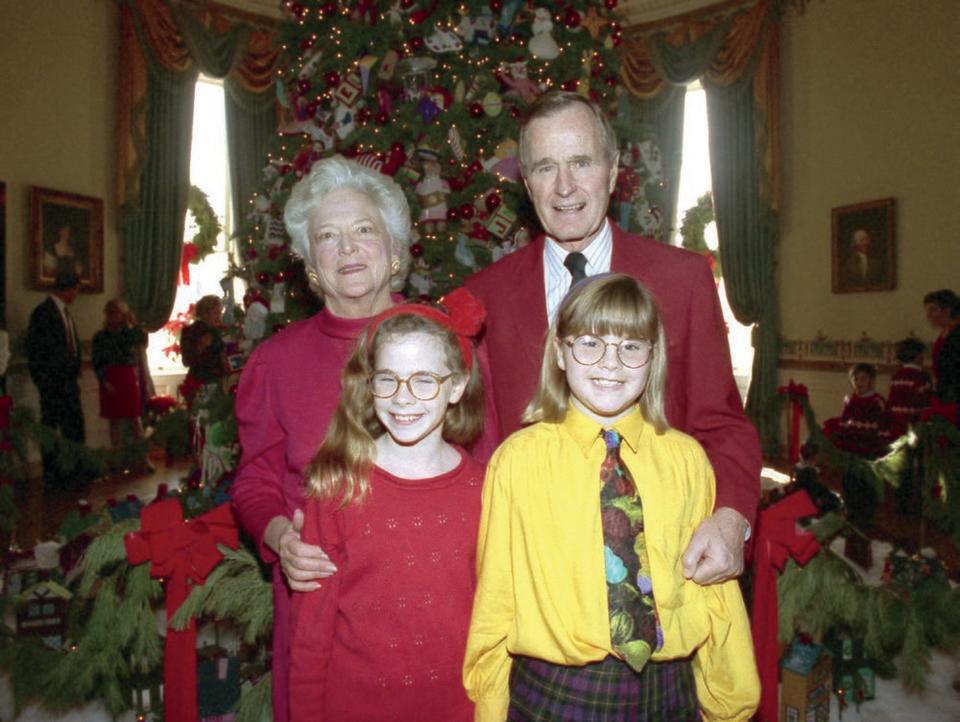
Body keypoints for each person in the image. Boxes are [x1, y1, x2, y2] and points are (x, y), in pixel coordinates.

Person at [230, 155, 497, 722]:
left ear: (394, 247)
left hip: (446, 617)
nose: (347, 249)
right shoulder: (275, 362)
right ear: (309, 261)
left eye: (363, 230)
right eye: (327, 236)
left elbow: (489, 470)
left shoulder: (449, 353)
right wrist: (281, 539)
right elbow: (254, 478)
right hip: (323, 608)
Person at [463, 91, 761, 586]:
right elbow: (476, 450)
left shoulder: (682, 280)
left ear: (613, 166)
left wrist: (731, 518)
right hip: (535, 572)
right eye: (544, 168)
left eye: (581, 162)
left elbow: (722, 423)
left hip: (665, 566)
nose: (564, 187)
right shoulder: (484, 297)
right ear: (526, 184)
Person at [463, 274, 759, 722]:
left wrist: (730, 704)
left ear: (652, 358)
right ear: (560, 353)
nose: (610, 363)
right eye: (589, 343)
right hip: (557, 692)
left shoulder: (688, 459)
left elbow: (715, 595)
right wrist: (489, 706)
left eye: (631, 347)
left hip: (668, 692)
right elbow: (497, 593)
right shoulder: (518, 461)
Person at [289, 292, 486, 721]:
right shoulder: (338, 484)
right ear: (370, 383)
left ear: (455, 387)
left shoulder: (486, 489)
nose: (402, 397)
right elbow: (312, 628)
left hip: (461, 707)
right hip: (355, 707)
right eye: (388, 379)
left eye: (423, 380)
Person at [26, 269, 85, 490]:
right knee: (51, 431)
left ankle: (74, 473)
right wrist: (45, 383)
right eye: (76, 289)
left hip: (69, 383)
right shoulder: (43, 313)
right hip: (52, 385)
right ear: (69, 289)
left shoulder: (65, 313)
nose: (77, 294)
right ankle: (53, 477)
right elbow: (37, 352)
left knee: (74, 429)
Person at [91, 299, 148, 455]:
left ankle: (143, 457)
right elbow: (97, 362)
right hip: (110, 377)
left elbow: (141, 339)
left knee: (135, 419)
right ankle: (117, 457)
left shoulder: (130, 334)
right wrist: (103, 381)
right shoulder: (100, 337)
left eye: (116, 313)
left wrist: (133, 321)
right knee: (114, 421)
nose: (113, 316)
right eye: (110, 313)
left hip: (127, 376)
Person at [823, 363, 892, 459]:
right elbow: (843, 424)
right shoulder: (850, 401)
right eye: (855, 379)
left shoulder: (878, 402)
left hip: (870, 450)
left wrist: (880, 451)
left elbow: (884, 429)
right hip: (852, 449)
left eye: (863, 379)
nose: (859, 382)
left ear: (872, 381)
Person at [179, 294, 228, 398]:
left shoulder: (219, 331)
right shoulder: (191, 332)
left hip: (218, 382)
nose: (219, 316)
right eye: (216, 313)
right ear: (205, 314)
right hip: (200, 383)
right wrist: (200, 346)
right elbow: (186, 361)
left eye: (220, 312)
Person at [887, 337, 932, 435]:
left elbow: (891, 402)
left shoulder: (896, 377)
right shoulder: (922, 377)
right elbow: (926, 403)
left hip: (896, 426)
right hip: (915, 427)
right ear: (918, 356)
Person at [923, 289, 960, 405]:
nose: (928, 316)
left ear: (948, 310)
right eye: (927, 311)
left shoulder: (957, 334)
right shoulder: (944, 333)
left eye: (933, 310)